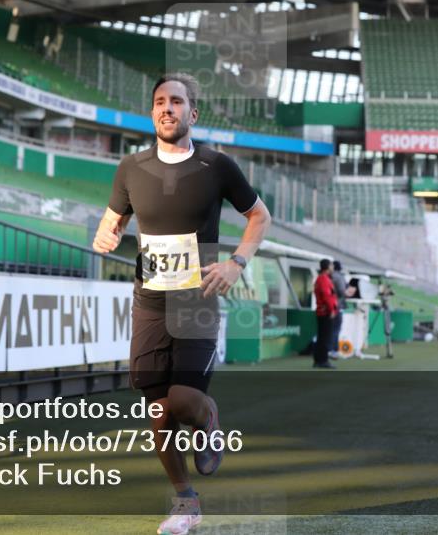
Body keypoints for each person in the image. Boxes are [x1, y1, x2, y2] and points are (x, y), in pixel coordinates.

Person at [92, 73, 271, 535]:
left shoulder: (217, 166)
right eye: (159, 102)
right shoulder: (131, 168)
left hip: (197, 302)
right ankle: (185, 502)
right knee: (158, 410)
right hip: (149, 302)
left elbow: (258, 216)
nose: (166, 108)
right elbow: (113, 219)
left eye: (176, 101)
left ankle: (208, 416)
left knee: (183, 401)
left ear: (193, 113)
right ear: (152, 112)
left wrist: (236, 262)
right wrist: (105, 233)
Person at [312, 259, 338, 369]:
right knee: (325, 337)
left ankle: (318, 360)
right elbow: (327, 296)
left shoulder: (322, 278)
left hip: (323, 311)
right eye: (331, 265)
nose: (333, 267)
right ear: (327, 267)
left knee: (322, 336)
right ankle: (323, 360)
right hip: (326, 312)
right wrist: (331, 310)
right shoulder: (324, 279)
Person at [329, 260, 348, 359]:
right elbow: (341, 291)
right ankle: (333, 350)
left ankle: (329, 350)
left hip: (328, 306)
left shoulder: (328, 276)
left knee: (330, 329)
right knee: (336, 329)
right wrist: (347, 292)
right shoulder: (339, 277)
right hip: (337, 306)